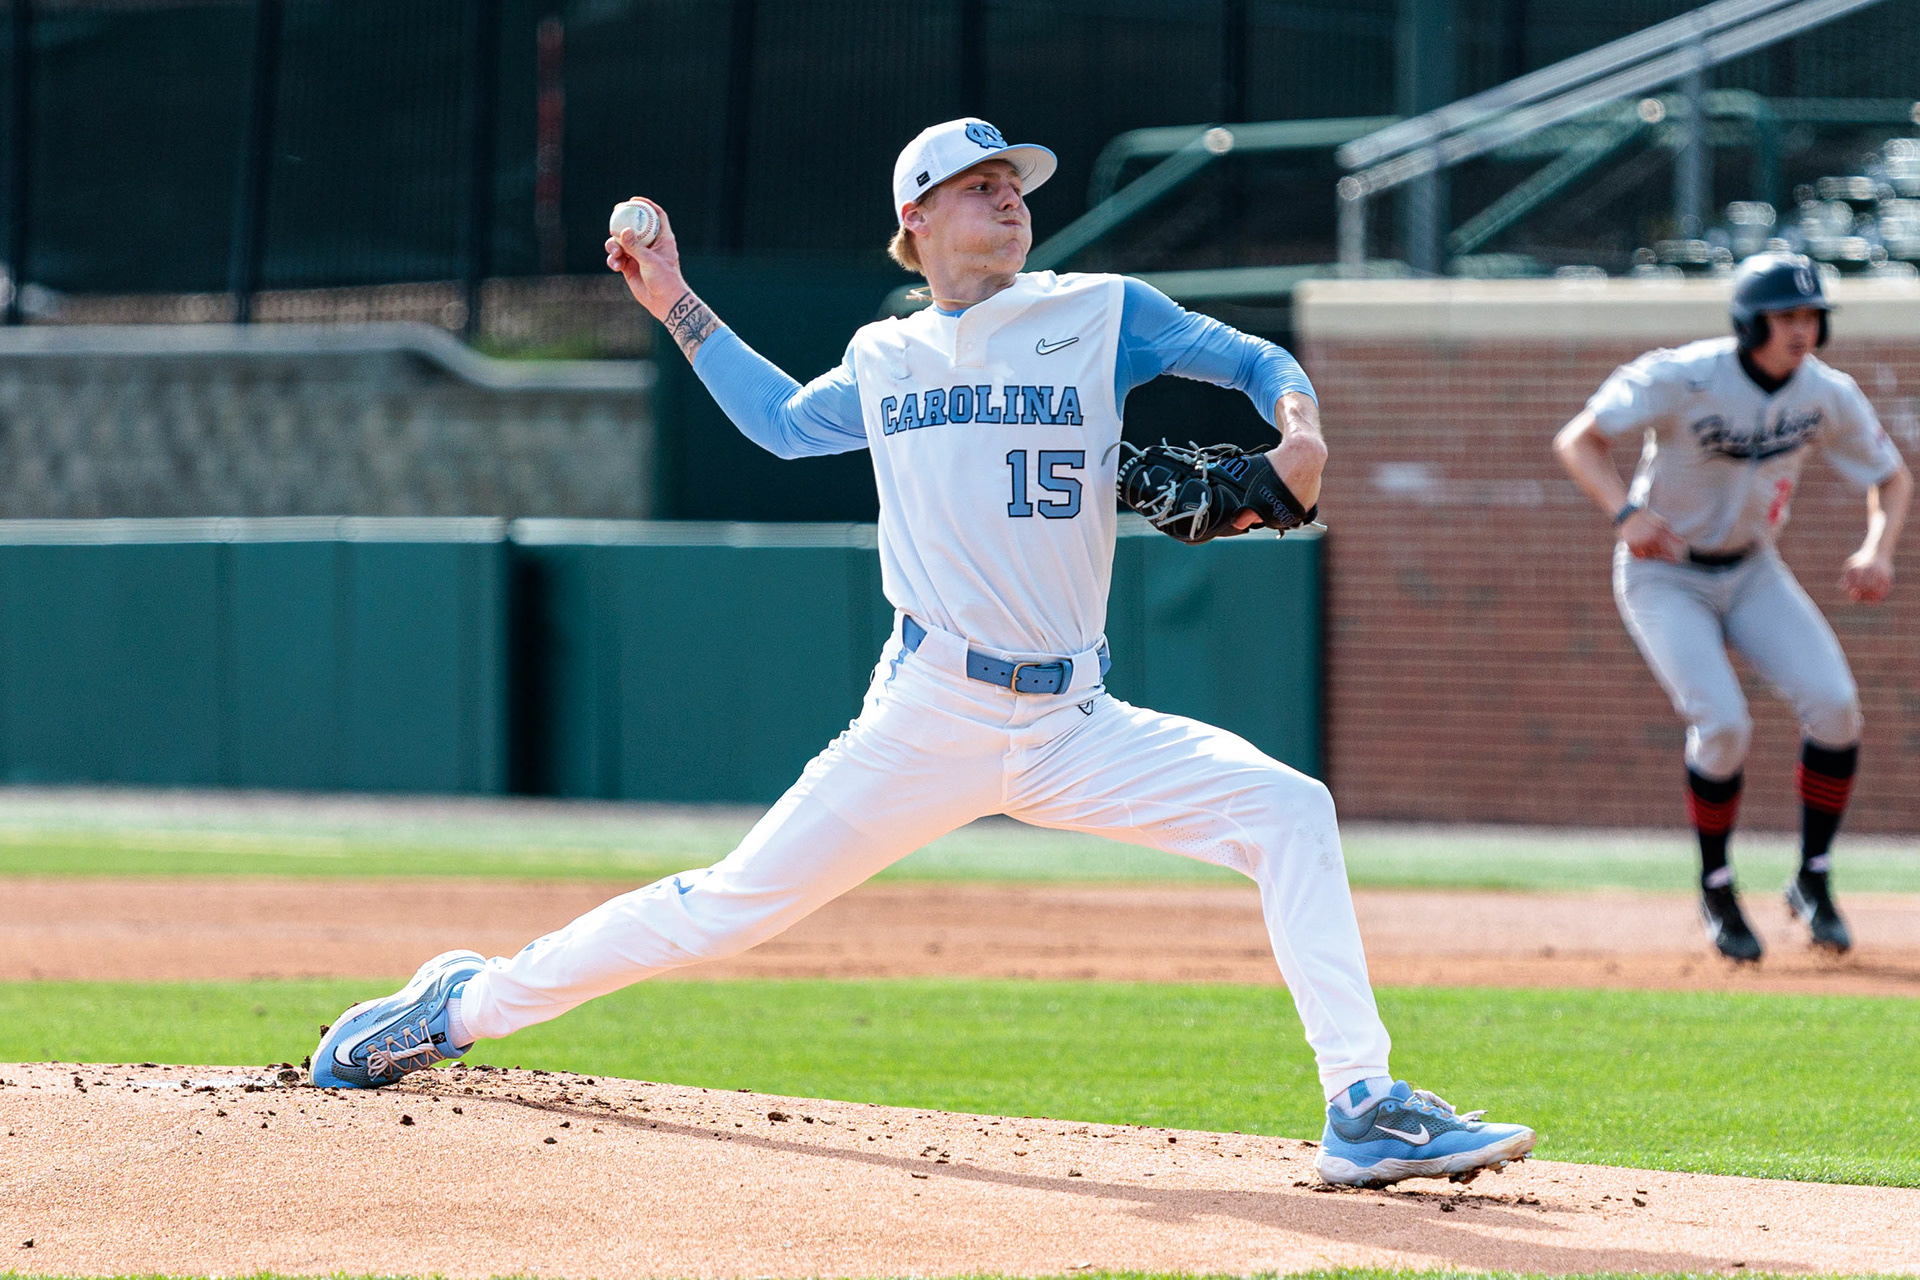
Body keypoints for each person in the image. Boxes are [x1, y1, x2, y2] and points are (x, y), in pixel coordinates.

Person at [311, 118, 1535, 1188]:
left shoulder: (1098, 311)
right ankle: (457, 1004)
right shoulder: (887, 356)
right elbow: (785, 427)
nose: (1010, 196)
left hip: (1073, 724)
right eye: (979, 183)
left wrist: (1300, 423)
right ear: (918, 217)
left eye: (1015, 182)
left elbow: (1252, 361)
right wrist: (674, 302)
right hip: (929, 715)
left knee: (1290, 810)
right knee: (728, 910)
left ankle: (1362, 1107)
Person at [1553, 252, 1910, 962]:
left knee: (1836, 705)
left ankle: (1812, 878)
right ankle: (1717, 885)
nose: (1800, 331)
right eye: (1785, 317)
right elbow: (1579, 440)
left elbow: (1892, 478)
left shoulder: (1823, 392)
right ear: (1750, 322)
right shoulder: (1685, 374)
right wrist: (1625, 512)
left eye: (1810, 317)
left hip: (1753, 571)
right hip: (1665, 574)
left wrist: (1878, 548)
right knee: (1723, 723)